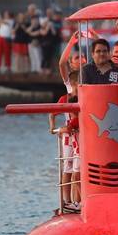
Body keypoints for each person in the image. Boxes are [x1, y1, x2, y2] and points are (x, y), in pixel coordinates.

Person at [49, 70, 80, 211]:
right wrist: (53, 128)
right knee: (68, 168)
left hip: (78, 134)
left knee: (77, 170)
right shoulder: (65, 98)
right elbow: (52, 112)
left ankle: (76, 201)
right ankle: (67, 201)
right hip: (69, 137)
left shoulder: (85, 98)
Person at [0, 9, 13, 73]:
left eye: (6, 14)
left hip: (6, 38)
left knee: (7, 53)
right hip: (0, 38)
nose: (5, 15)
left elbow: (2, 21)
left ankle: (8, 67)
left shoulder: (11, 21)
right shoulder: (4, 20)